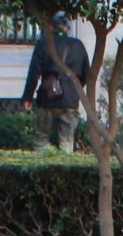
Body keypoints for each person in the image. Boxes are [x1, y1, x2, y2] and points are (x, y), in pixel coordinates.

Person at [21, 15, 88, 151]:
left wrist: (27, 97)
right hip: (70, 100)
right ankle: (63, 170)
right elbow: (86, 74)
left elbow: (34, 73)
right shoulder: (78, 45)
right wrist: (74, 90)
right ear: (67, 28)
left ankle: (43, 170)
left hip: (47, 98)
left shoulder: (44, 44)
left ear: (51, 27)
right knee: (67, 143)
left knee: (41, 139)